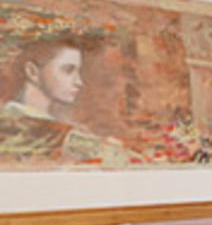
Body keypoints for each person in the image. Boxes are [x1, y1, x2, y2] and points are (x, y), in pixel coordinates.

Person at [2, 34, 131, 165]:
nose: (79, 82)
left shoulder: (52, 127)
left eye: (78, 71)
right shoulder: (28, 129)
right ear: (32, 72)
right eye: (68, 70)